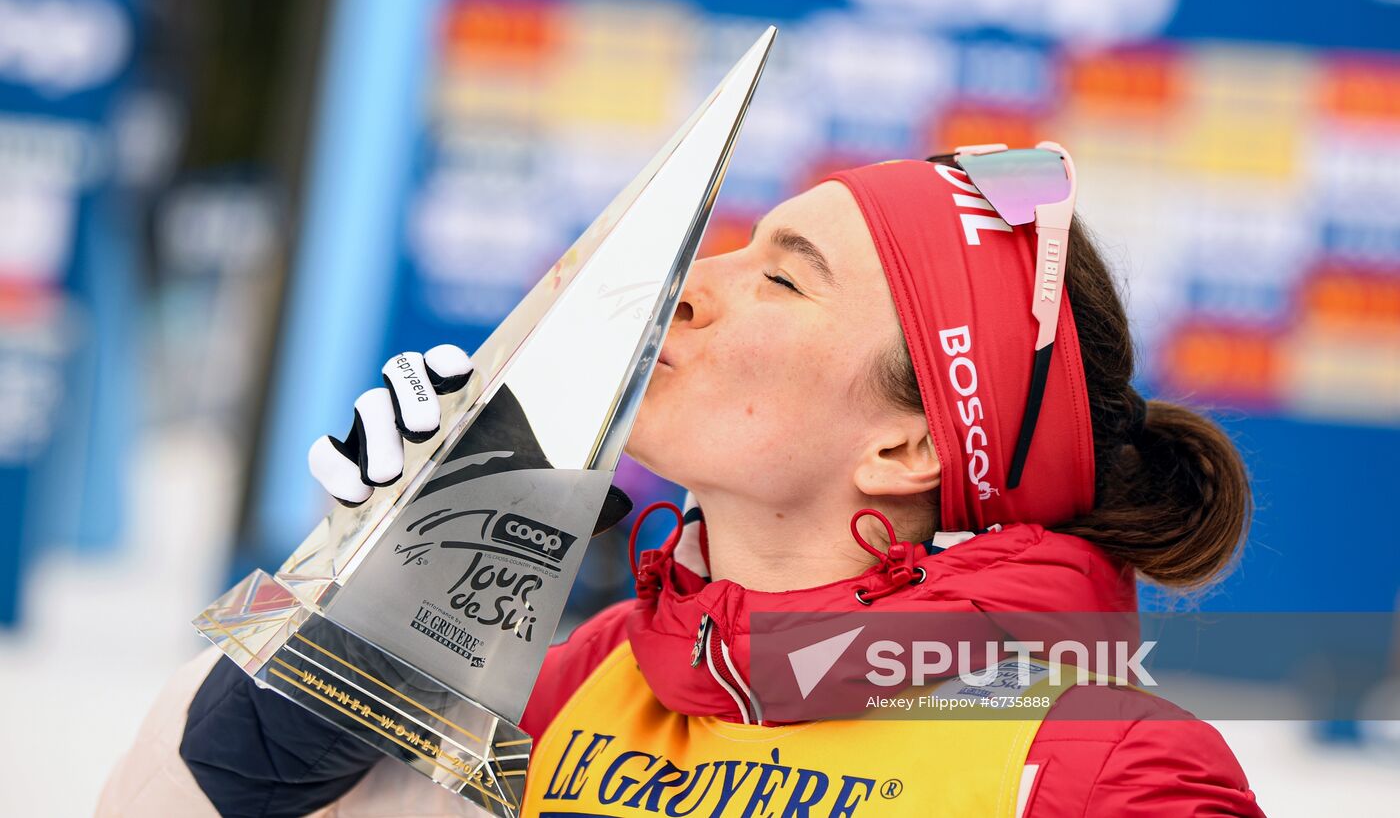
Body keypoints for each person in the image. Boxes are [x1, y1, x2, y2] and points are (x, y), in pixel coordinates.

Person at [99, 146, 1264, 816]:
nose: (693, 284)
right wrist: (357, 614)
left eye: (785, 281)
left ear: (906, 449)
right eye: (738, 246)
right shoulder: (593, 675)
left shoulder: (1109, 770)